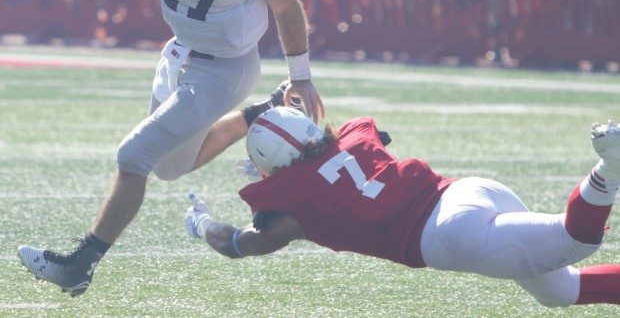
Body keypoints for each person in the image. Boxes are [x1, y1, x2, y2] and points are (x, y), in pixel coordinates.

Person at [17, 0, 324, 297]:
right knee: (167, 168)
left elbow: (287, 8)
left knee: (133, 156)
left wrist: (301, 74)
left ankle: (79, 264)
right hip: (178, 51)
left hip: (224, 69)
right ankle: (259, 114)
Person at [185, 106, 620, 308]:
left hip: (448, 234)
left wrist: (202, 224)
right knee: (563, 291)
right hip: (470, 190)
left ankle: (609, 168)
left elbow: (239, 244)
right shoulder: (353, 135)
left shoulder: (293, 210)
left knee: (575, 240)